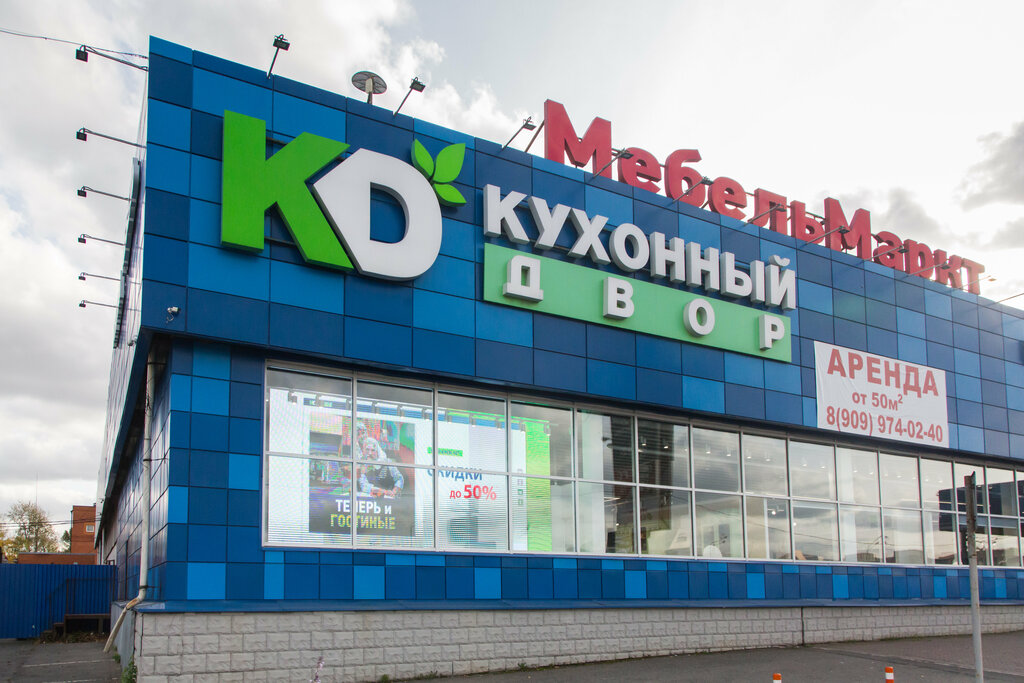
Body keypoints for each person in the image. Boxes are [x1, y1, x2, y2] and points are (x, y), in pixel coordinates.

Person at [357, 422, 404, 498]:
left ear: (377, 451)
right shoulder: (362, 466)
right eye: (367, 450)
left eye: (373, 450)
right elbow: (364, 486)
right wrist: (384, 492)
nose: (370, 453)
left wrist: (394, 491)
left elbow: (399, 479)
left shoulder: (387, 462)